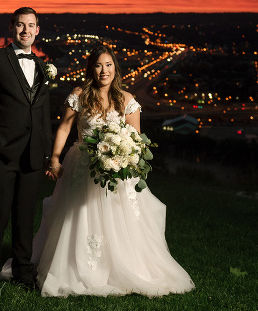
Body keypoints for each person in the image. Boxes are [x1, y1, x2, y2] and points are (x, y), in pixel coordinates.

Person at [14, 44, 195, 297]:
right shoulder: (78, 95)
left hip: (116, 170)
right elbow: (65, 129)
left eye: (108, 65)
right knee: (79, 215)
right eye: (98, 65)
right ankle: (76, 267)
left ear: (115, 68)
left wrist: (124, 158)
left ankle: (123, 267)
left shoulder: (127, 100)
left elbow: (135, 139)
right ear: (91, 69)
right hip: (82, 165)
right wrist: (55, 159)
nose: (104, 70)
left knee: (119, 218)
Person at [0, 7, 53, 287]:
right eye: (20, 25)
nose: (25, 31)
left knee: (25, 219)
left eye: (31, 26)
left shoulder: (43, 66)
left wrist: (47, 151)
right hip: (0, 155)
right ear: (11, 28)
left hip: (32, 157)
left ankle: (23, 273)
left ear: (37, 30)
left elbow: (42, 114)